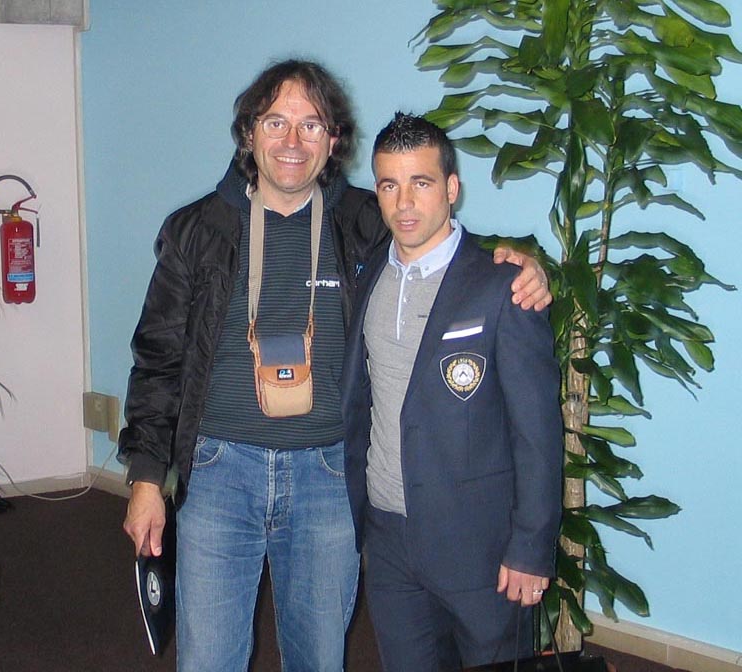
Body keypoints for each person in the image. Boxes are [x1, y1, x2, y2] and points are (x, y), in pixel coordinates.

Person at [119, 61, 551, 672]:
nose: (292, 141)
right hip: (220, 473)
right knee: (208, 659)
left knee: (319, 658)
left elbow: (433, 236)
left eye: (312, 125)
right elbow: (158, 358)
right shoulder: (197, 230)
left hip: (327, 477)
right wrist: (145, 478)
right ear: (249, 133)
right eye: (276, 122)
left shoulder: (363, 223)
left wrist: (521, 266)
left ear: (333, 140)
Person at [341, 112, 563, 672]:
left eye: (421, 182)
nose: (404, 202)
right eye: (389, 185)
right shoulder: (369, 276)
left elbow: (537, 432)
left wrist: (531, 546)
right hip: (389, 536)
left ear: (451, 188)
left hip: (481, 545)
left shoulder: (503, 287)